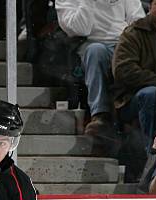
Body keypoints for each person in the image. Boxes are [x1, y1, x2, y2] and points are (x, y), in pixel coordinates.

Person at [55, 0, 145, 137]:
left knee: (139, 54)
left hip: (123, 44)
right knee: (96, 51)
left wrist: (127, 41)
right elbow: (80, 29)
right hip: (90, 45)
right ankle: (100, 115)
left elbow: (138, 22)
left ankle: (135, 117)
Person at [112, 0, 156, 152]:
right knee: (149, 93)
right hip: (135, 98)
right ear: (150, 7)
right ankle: (151, 154)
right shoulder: (134, 32)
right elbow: (123, 70)